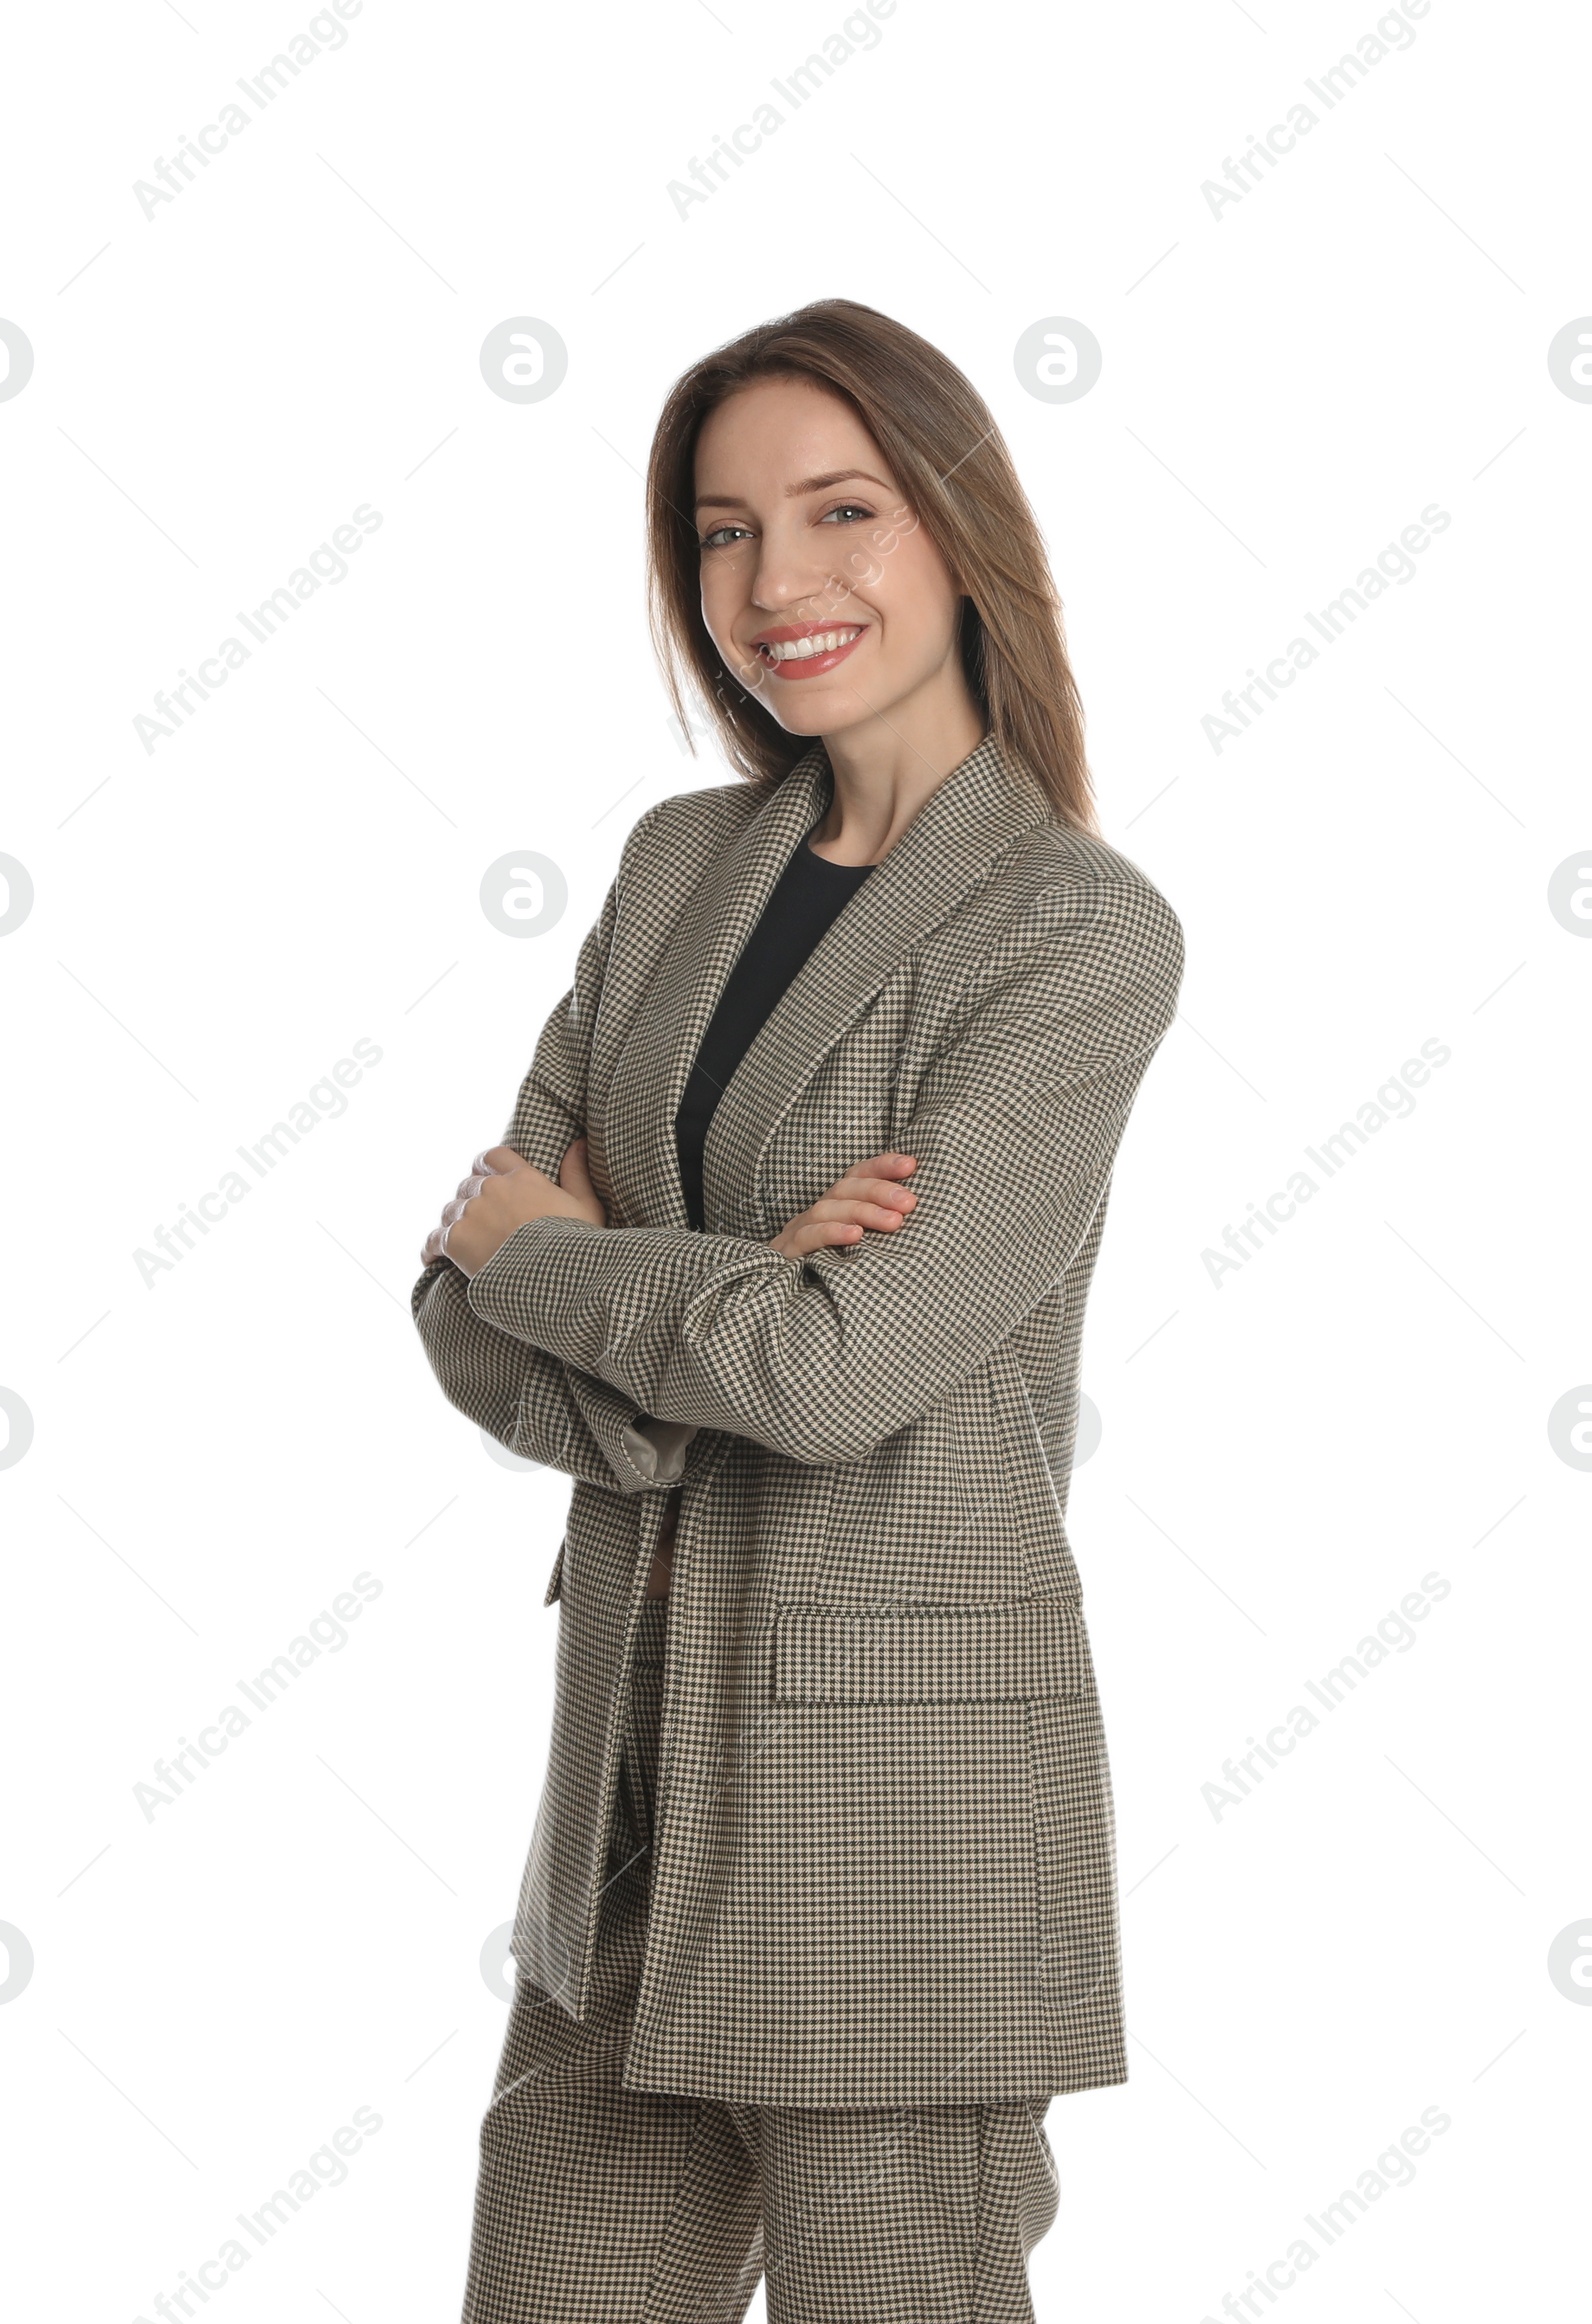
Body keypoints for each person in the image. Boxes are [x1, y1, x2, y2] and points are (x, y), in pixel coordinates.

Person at [411, 297, 1185, 2323]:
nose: (774, 582)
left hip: (898, 1829)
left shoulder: (1072, 932)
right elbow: (457, 1307)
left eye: (837, 510)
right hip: (623, 1823)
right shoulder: (673, 867)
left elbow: (834, 1378)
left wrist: (560, 1262)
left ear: (953, 531)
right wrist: (716, 1294)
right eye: (722, 530)